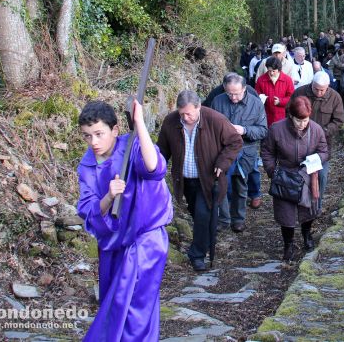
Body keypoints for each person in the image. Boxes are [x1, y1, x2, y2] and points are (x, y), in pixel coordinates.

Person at [76, 100, 171, 341]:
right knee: (113, 303)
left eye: (99, 134)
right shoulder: (87, 166)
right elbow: (88, 210)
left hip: (145, 240)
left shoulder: (132, 147)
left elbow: (155, 169)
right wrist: (108, 197)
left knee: (133, 307)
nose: (94, 142)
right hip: (111, 245)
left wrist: (139, 124)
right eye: (87, 136)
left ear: (115, 130)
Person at [156, 91, 242, 272]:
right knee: (198, 215)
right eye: (182, 114)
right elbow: (162, 150)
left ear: (199, 107)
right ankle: (205, 241)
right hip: (186, 180)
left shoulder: (215, 119)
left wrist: (223, 162)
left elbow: (235, 141)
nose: (186, 118)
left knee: (203, 215)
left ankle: (197, 255)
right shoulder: (171, 122)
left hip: (209, 179)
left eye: (189, 113)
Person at [261, 96, 328, 262]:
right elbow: (267, 151)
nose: (302, 124)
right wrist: (272, 171)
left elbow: (325, 151)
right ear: (291, 115)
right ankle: (288, 244)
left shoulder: (316, 129)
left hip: (307, 174)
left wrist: (315, 159)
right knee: (286, 213)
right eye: (299, 120)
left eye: (305, 120)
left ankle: (307, 234)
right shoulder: (277, 129)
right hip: (285, 174)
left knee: (308, 209)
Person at [211, 74, 268, 233]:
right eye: (230, 93)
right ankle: (223, 218)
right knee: (221, 184)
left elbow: (263, 130)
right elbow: (209, 127)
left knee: (241, 186)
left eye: (236, 93)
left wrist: (244, 130)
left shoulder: (256, 104)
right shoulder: (218, 101)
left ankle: (238, 219)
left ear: (244, 89)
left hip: (246, 152)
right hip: (222, 152)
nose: (233, 97)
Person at [290, 71, 344, 209]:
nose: (319, 92)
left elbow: (338, 121)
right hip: (299, 142)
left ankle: (316, 207)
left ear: (327, 87)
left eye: (322, 90)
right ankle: (300, 203)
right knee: (299, 175)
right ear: (312, 84)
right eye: (316, 89)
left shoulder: (335, 97)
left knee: (321, 177)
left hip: (322, 145)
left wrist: (323, 132)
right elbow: (289, 112)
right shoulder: (300, 92)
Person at [255, 56, 295, 126]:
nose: (271, 73)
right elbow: (256, 96)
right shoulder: (261, 80)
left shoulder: (287, 80)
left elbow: (292, 97)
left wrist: (280, 101)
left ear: (279, 70)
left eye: (274, 71)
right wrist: (264, 99)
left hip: (282, 116)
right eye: (269, 70)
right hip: (265, 116)